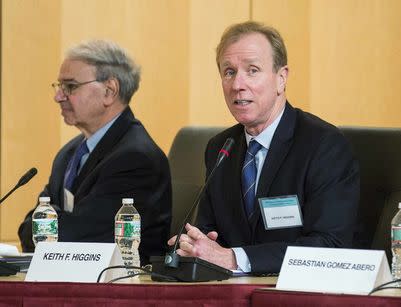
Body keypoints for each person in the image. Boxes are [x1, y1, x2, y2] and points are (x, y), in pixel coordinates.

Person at [168, 21, 360, 274]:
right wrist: (194, 245)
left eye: (252, 70)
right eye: (229, 72)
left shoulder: (323, 145)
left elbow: (330, 246)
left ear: (281, 79)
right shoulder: (220, 148)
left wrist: (236, 259)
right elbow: (210, 233)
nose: (238, 84)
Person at [19, 40, 172, 265]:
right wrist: (59, 224)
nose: (58, 96)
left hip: (124, 289)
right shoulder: (68, 154)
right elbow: (28, 230)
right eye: (59, 86)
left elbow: (77, 238)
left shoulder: (136, 159)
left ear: (109, 91)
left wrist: (56, 223)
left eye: (70, 87)